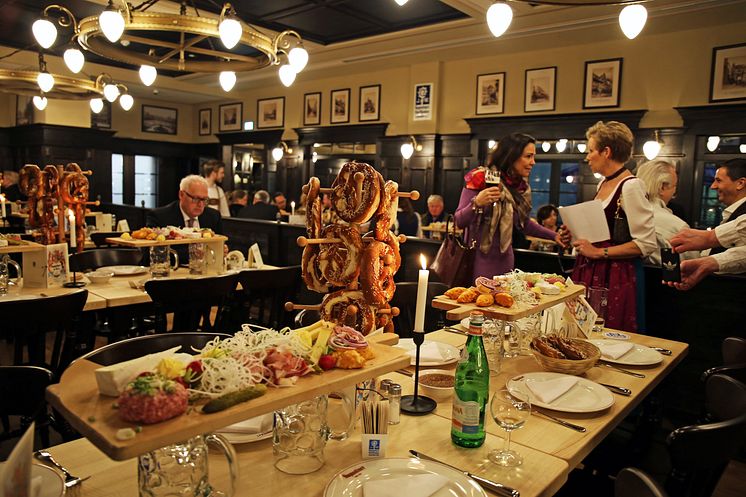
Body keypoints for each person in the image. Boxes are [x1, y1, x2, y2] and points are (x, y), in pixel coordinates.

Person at [569, 121, 656, 332]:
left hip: (616, 275)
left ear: (606, 151)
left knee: (609, 331)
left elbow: (645, 244)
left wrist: (599, 252)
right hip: (592, 269)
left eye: (591, 151)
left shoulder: (631, 186)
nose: (587, 157)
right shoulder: (603, 183)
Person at [454, 133, 566, 281]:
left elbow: (524, 224)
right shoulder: (480, 178)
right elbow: (458, 221)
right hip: (477, 259)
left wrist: (554, 236)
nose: (533, 162)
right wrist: (476, 203)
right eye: (528, 156)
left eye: (533, 157)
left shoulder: (521, 188)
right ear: (511, 156)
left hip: (505, 261)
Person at [635, 160, 699, 265]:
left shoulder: (624, 215)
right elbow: (692, 264)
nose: (674, 192)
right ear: (662, 187)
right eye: (675, 186)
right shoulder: (677, 227)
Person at [147, 175, 223, 232]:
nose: (200, 204)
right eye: (195, 199)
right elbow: (150, 250)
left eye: (204, 199)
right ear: (181, 195)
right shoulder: (159, 217)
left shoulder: (213, 217)